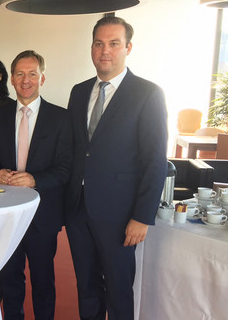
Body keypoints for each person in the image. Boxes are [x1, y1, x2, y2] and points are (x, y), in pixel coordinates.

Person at [65, 16, 167, 320]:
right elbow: (76, 150)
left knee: (119, 290)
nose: (104, 51)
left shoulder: (148, 93)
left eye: (113, 43)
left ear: (128, 47)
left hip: (120, 215)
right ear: (92, 47)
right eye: (99, 43)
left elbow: (155, 160)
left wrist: (142, 216)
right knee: (86, 286)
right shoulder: (79, 91)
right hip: (78, 210)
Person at [0, 50, 72, 320]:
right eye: (20, 73)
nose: (26, 79)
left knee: (43, 279)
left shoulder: (61, 118)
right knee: (9, 279)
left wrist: (35, 179)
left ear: (42, 78)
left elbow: (66, 168)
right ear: (11, 79)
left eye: (32, 73)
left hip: (43, 214)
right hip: (7, 215)